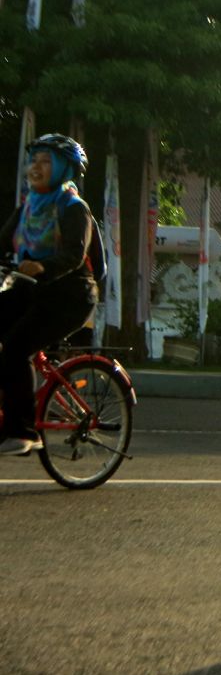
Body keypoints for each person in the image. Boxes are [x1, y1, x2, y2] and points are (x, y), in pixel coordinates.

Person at [0, 135, 100, 456]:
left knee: (16, 348)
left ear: (63, 169)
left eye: (46, 162)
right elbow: (3, 243)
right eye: (34, 161)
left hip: (69, 296)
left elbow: (74, 255)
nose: (36, 168)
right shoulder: (28, 207)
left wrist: (41, 267)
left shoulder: (73, 208)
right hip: (31, 289)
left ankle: (24, 431)